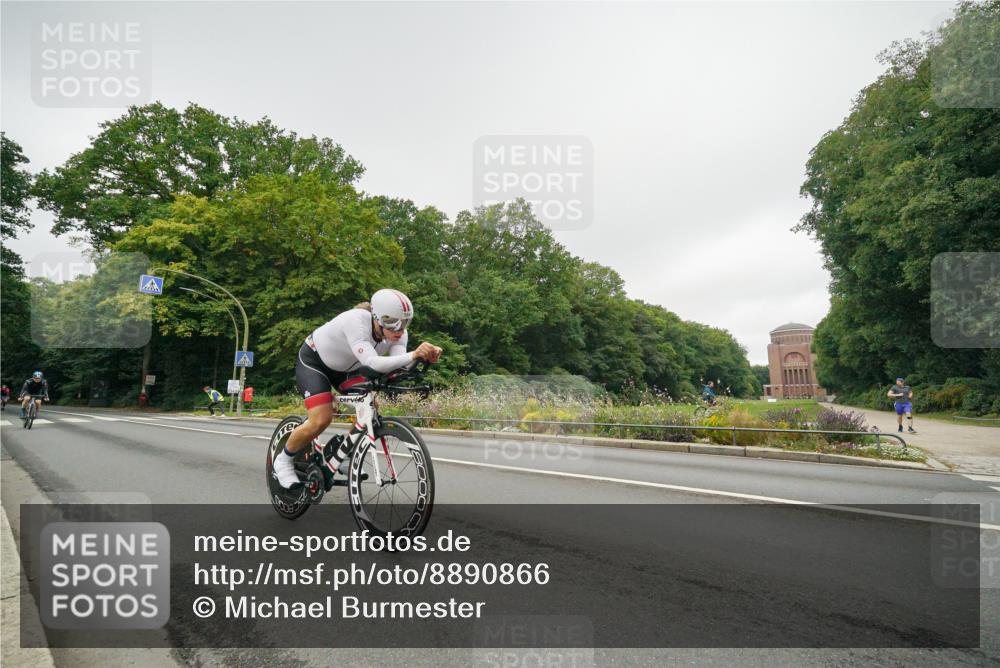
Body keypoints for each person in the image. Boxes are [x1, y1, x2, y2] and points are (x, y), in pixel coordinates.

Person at [272, 289, 442, 489]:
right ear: (377, 318)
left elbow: (398, 365)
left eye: (406, 322)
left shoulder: (398, 335)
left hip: (348, 369)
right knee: (321, 418)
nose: (400, 329)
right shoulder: (356, 321)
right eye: (394, 322)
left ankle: (344, 455)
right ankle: (283, 460)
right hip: (315, 362)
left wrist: (423, 357)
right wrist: (414, 354)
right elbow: (372, 362)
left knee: (370, 408)